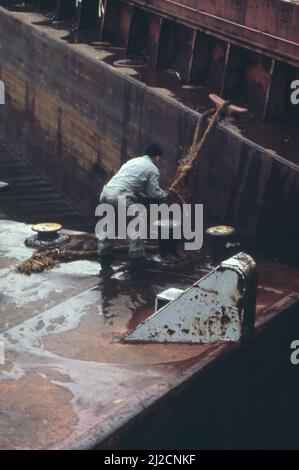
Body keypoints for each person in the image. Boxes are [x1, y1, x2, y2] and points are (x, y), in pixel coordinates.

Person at [98, 143, 168, 260]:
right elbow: (155, 193)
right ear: (157, 157)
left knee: (107, 223)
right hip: (120, 196)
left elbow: (127, 182)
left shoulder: (133, 161)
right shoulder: (152, 169)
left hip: (106, 193)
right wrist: (166, 195)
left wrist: (140, 196)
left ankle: (104, 253)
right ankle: (137, 255)